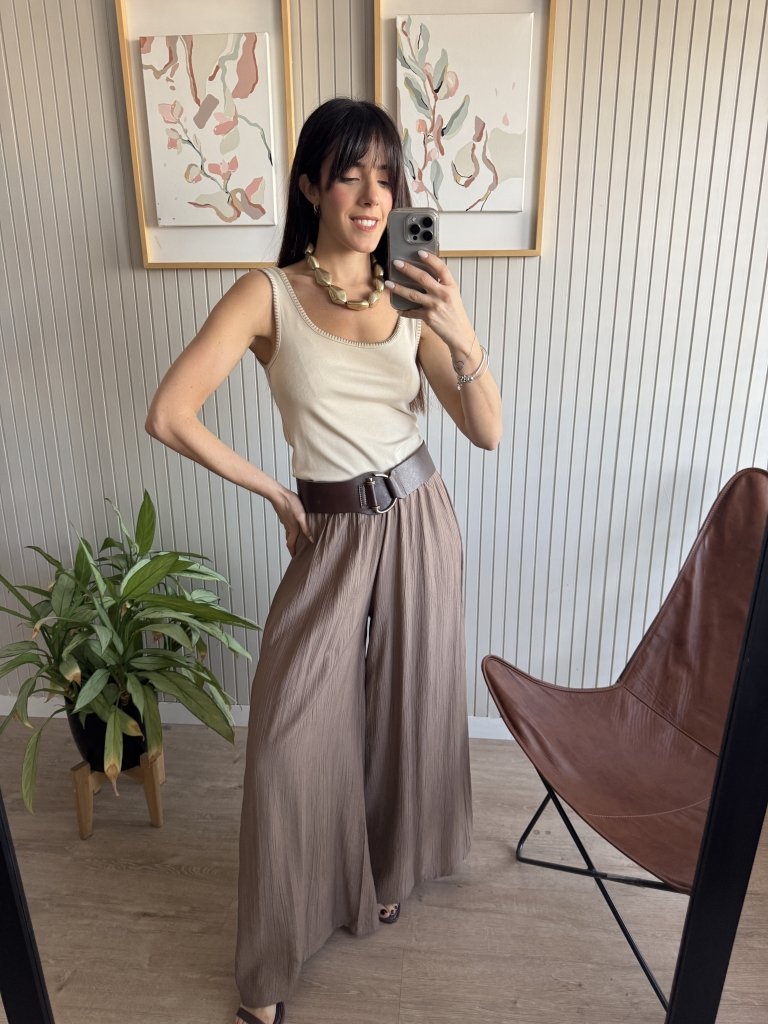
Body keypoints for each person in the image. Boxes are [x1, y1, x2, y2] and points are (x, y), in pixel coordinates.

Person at [145, 97, 502, 1024]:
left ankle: (384, 871)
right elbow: (169, 414)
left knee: (408, 708)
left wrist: (459, 327)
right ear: (311, 185)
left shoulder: (411, 293)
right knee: (288, 740)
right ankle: (267, 971)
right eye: (350, 175)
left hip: (419, 518)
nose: (373, 197)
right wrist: (275, 492)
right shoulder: (266, 294)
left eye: (387, 177)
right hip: (331, 530)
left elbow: (487, 431)